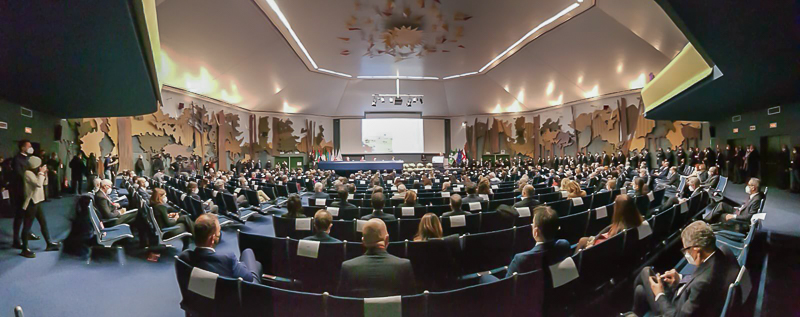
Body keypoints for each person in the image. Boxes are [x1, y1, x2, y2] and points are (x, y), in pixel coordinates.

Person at [630, 221, 739, 317]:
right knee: (640, 290)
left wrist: (659, 294)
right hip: (686, 299)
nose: (685, 253)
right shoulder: (722, 253)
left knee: (646, 271)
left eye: (686, 249)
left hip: (675, 309)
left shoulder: (703, 283)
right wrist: (680, 279)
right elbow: (699, 280)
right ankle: (635, 313)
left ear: (696, 250)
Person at [336, 218, 416, 297]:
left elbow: (341, 304)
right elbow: (412, 303)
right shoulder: (404, 266)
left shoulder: (348, 267)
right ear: (387, 239)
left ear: (363, 242)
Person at [178, 213, 263, 283]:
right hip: (228, 300)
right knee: (251, 255)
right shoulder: (227, 258)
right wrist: (240, 265)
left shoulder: (184, 257)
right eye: (219, 231)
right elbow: (249, 278)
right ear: (212, 239)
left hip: (200, 300)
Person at [506, 206, 570, 279]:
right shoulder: (564, 245)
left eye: (533, 223)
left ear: (535, 232)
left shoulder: (520, 260)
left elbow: (507, 287)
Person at [19, 156, 59, 258]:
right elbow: (38, 184)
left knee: (43, 222)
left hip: (37, 201)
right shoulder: (28, 173)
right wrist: (41, 173)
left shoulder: (35, 173)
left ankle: (49, 243)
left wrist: (44, 173)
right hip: (31, 203)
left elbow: (44, 183)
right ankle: (25, 249)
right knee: (27, 226)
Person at [575, 194, 643, 253]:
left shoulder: (620, 228)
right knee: (583, 240)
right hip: (611, 246)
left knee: (582, 240)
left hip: (603, 251)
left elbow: (607, 246)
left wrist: (591, 245)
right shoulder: (636, 220)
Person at [11, 140, 37, 249]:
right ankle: (16, 239)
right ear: (22, 148)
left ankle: (27, 233)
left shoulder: (27, 158)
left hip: (28, 191)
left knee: (29, 214)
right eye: (28, 146)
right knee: (19, 215)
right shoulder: (17, 159)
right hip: (20, 191)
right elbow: (20, 175)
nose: (31, 147)